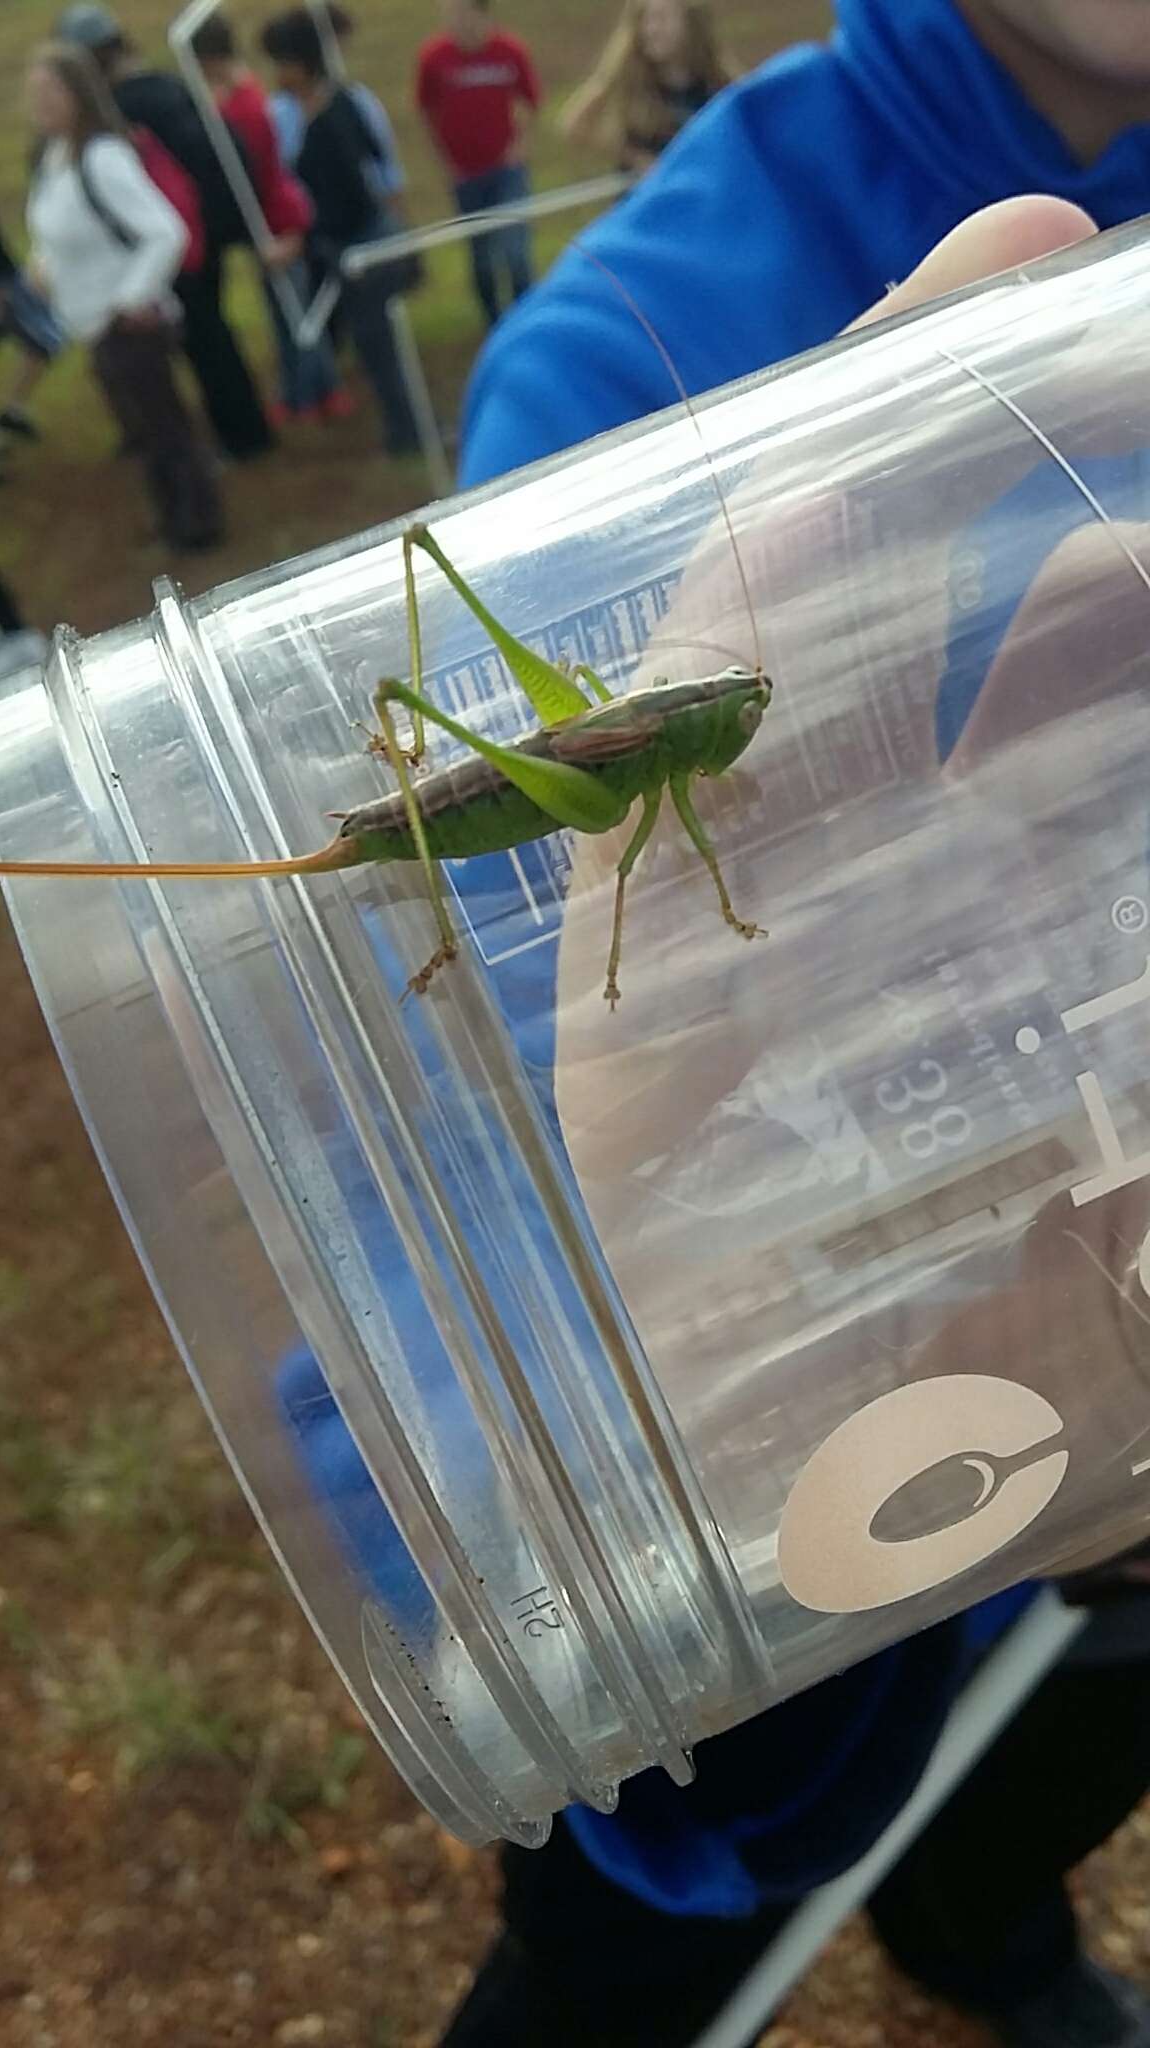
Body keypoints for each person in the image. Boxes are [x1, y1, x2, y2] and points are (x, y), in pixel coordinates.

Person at [439, 2, 1150, 2044]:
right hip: (789, 1538)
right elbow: (518, 1151)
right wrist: (734, 1495)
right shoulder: (618, 360)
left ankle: (993, 1928)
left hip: (1112, 1439)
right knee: (630, 1959)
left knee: (1060, 1757)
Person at [25, 41, 222, 554]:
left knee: (165, 430)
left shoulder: (103, 157)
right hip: (94, 326)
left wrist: (129, 300)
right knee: (143, 433)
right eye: (35, 93)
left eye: (51, 91)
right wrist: (43, 269)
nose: (41, 103)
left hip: (129, 327)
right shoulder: (52, 159)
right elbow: (57, 231)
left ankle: (197, 524)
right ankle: (174, 519)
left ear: (78, 93)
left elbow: (166, 232)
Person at [55, 2, 274, 461]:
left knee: (201, 341)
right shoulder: (168, 86)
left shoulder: (121, 111)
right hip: (202, 235)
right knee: (210, 333)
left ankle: (240, 438)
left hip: (172, 244)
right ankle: (242, 431)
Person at [260, 7, 419, 457]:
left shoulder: (344, 110)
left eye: (282, 61)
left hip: (362, 246)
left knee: (378, 343)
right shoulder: (297, 112)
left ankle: (405, 432)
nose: (277, 72)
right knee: (354, 336)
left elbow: (373, 179)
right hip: (338, 244)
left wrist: (397, 233)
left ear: (303, 62)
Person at [189, 11, 352, 428]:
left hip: (278, 221)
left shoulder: (244, 107)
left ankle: (318, 391)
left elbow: (263, 173)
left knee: (297, 315)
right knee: (288, 311)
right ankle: (305, 390)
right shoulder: (242, 97)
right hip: (272, 220)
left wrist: (287, 234)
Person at [415, 0, 540, 328]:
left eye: (461, 14)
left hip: (507, 171)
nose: (455, 22)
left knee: (515, 251)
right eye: (449, 14)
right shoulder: (434, 57)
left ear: (481, 13)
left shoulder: (509, 51)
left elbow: (530, 99)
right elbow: (425, 109)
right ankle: (496, 325)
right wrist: (444, 161)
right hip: (466, 175)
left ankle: (528, 320)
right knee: (481, 258)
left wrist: (519, 145)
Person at [561, 0, 736, 176]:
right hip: (646, 197)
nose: (651, 30)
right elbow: (575, 124)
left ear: (690, 22)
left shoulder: (714, 76)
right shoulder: (627, 71)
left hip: (695, 193)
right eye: (644, 19)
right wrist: (637, 159)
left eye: (662, 19)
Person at [0, 212, 64, 461]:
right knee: (45, 338)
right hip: (5, 287)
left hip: (8, 284)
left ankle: (13, 412)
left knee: (46, 339)